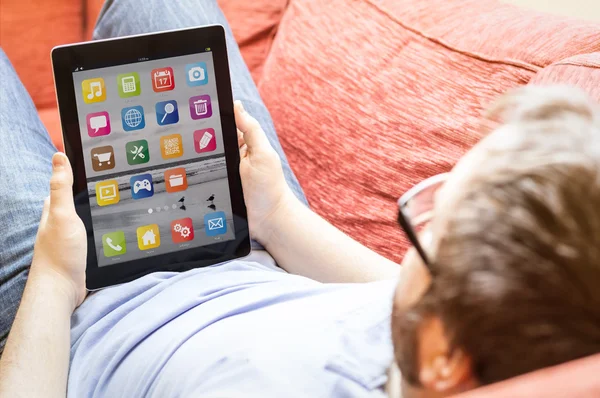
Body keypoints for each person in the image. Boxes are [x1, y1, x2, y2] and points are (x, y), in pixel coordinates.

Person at [1, 1, 600, 398]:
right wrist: (276, 214)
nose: (421, 206)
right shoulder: (458, 327)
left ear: (446, 356)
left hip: (75, 310)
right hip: (248, 239)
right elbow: (392, 291)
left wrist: (54, 274)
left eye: (431, 223)